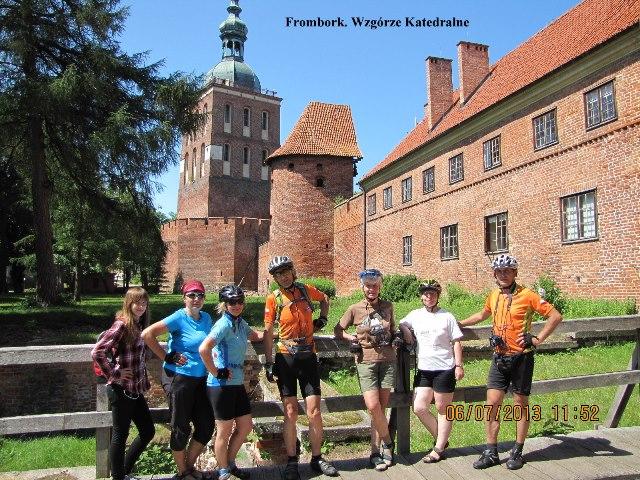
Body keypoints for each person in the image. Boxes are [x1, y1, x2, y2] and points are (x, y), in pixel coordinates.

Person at [459, 254, 562, 470]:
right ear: (494, 274)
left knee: (520, 405)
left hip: (521, 357)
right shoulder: (494, 295)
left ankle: (517, 451)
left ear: (515, 272)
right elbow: (482, 314)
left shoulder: (528, 295)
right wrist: (458, 323)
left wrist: (537, 339)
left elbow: (555, 316)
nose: (503, 274)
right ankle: (491, 452)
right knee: (492, 404)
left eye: (507, 271)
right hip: (499, 357)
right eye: (499, 271)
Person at [262, 256, 339, 479]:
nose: (284, 276)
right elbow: (268, 332)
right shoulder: (273, 298)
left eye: (286, 271)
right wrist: (268, 362)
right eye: (279, 274)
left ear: (292, 272)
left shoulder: (305, 290)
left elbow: (324, 299)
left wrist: (323, 319)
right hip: (285, 358)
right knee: (290, 412)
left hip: (308, 357)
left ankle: (317, 458)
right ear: (275, 278)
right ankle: (291, 461)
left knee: (314, 411)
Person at [141, 280, 215, 480]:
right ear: (184, 298)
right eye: (192, 295)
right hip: (179, 378)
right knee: (181, 427)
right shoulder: (178, 317)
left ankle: (188, 467)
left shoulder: (207, 318)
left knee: (206, 425)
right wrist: (166, 356)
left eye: (200, 295)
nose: (196, 299)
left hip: (201, 379)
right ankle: (183, 472)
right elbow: (147, 334)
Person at [334, 269, 397, 471]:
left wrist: (399, 335)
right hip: (366, 361)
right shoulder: (355, 308)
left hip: (387, 361)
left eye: (375, 285)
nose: (372, 289)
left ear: (380, 287)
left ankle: (375, 452)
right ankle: (388, 443)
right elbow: (338, 329)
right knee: (373, 406)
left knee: (381, 408)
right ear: (362, 287)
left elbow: (393, 330)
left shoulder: (388, 306)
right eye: (368, 286)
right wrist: (350, 338)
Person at [199, 285, 263, 480]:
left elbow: (255, 336)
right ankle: (224, 469)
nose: (236, 305)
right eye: (232, 302)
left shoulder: (240, 323)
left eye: (240, 302)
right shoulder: (223, 325)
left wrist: (275, 332)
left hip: (236, 383)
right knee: (224, 431)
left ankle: (230, 462)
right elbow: (204, 349)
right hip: (221, 386)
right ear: (224, 305)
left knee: (245, 426)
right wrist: (216, 372)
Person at [91, 287, 155, 480]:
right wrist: (115, 373)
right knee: (120, 434)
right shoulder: (122, 324)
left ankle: (124, 471)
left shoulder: (138, 324)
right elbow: (98, 351)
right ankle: (118, 477)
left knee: (147, 431)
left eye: (144, 303)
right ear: (129, 304)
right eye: (137, 303)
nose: (141, 307)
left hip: (135, 389)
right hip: (121, 389)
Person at [398, 280, 464, 464]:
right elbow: (401, 323)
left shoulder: (447, 316)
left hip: (444, 368)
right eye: (426, 293)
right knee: (419, 407)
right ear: (421, 296)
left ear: (438, 296)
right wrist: (405, 330)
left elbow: (456, 342)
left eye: (433, 293)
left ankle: (438, 448)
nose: (429, 296)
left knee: (443, 408)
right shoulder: (415, 315)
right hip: (424, 369)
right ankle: (442, 439)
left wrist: (459, 365)